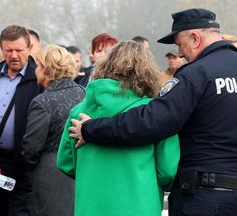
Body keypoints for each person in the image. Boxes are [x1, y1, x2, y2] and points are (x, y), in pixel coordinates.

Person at [68, 8, 237, 216]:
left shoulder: (196, 75)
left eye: (180, 45)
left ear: (195, 38)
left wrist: (92, 129)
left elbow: (151, 122)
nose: (180, 53)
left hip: (203, 198)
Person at [57, 41, 180, 216]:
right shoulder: (153, 113)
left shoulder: (79, 111)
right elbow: (168, 171)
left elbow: (65, 163)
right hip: (140, 205)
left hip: (91, 206)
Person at [21, 45, 85, 216]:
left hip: (52, 177)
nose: (35, 70)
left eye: (38, 66)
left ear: (47, 69)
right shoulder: (85, 95)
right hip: (83, 172)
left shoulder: (42, 102)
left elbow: (31, 148)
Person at [0, 25, 43, 216]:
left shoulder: (38, 78)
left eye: (19, 50)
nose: (14, 55)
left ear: (30, 48)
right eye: (9, 50)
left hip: (23, 164)